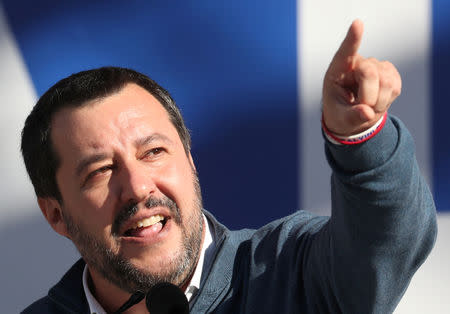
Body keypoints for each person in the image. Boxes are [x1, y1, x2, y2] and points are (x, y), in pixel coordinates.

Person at [21, 20, 436, 313]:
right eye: (100, 171)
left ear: (191, 161)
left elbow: (388, 237)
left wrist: (360, 139)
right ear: (56, 214)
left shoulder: (292, 273)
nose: (138, 186)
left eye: (153, 152)